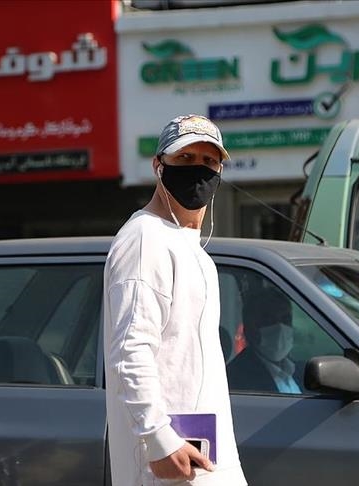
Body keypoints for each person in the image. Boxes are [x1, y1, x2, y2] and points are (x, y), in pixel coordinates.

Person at [103, 114, 247, 486]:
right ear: (159, 165)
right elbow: (130, 350)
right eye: (185, 158)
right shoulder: (145, 240)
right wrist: (158, 439)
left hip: (200, 457)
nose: (198, 169)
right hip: (168, 463)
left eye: (209, 161)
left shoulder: (189, 246)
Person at [227, 287, 301, 394]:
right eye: (269, 320)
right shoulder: (237, 378)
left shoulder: (300, 372)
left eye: (285, 319)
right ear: (249, 329)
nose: (280, 327)